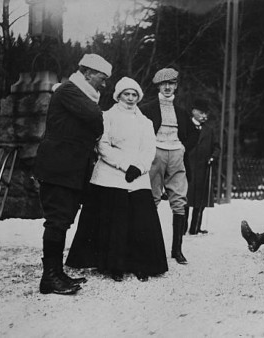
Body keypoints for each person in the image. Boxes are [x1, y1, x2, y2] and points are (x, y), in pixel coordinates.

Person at [65, 77, 168, 282]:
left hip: (137, 176)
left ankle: (139, 264)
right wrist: (123, 165)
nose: (130, 98)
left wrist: (138, 167)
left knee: (140, 222)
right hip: (110, 175)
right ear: (118, 95)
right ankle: (114, 265)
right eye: (126, 94)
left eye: (134, 95)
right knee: (114, 222)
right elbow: (102, 146)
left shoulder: (145, 122)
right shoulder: (107, 116)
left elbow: (149, 149)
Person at [34, 53, 112, 295]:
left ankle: (56, 272)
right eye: (102, 77)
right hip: (59, 168)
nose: (105, 83)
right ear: (87, 72)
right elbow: (95, 117)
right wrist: (97, 122)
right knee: (57, 220)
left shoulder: (79, 93)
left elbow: (95, 121)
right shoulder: (68, 90)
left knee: (63, 220)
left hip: (69, 169)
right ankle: (49, 278)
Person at [139, 68, 196, 264]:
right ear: (158, 86)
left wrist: (182, 148)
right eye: (164, 84)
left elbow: (193, 135)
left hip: (177, 156)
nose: (168, 87)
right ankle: (149, 248)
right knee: (151, 199)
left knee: (179, 200)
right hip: (155, 155)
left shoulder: (181, 112)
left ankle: (177, 250)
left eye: (171, 83)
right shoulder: (147, 108)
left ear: (176, 86)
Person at [185, 99, 221, 235]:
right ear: (194, 111)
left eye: (206, 114)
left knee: (200, 201)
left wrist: (213, 156)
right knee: (185, 200)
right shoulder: (185, 126)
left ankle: (195, 228)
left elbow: (217, 147)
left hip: (203, 170)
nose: (204, 116)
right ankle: (182, 228)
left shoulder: (209, 130)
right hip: (187, 169)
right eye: (201, 113)